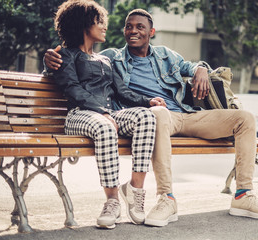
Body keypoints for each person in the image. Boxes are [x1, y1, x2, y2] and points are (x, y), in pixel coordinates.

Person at [45, 8, 258, 226]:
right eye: (128, 27)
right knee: (158, 113)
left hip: (185, 115)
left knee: (244, 118)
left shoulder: (166, 55)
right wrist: (49, 60)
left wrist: (202, 69)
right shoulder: (112, 58)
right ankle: (166, 198)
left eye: (139, 27)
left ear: (151, 32)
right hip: (156, 117)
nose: (133, 31)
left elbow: (191, 65)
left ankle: (244, 194)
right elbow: (72, 67)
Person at [51, 1, 167, 229]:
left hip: (107, 115)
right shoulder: (65, 55)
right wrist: (102, 111)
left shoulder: (105, 60)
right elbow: (73, 88)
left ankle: (135, 191)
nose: (104, 26)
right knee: (104, 127)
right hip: (79, 116)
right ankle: (112, 201)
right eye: (99, 22)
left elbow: (122, 92)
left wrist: (148, 101)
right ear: (84, 25)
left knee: (147, 116)